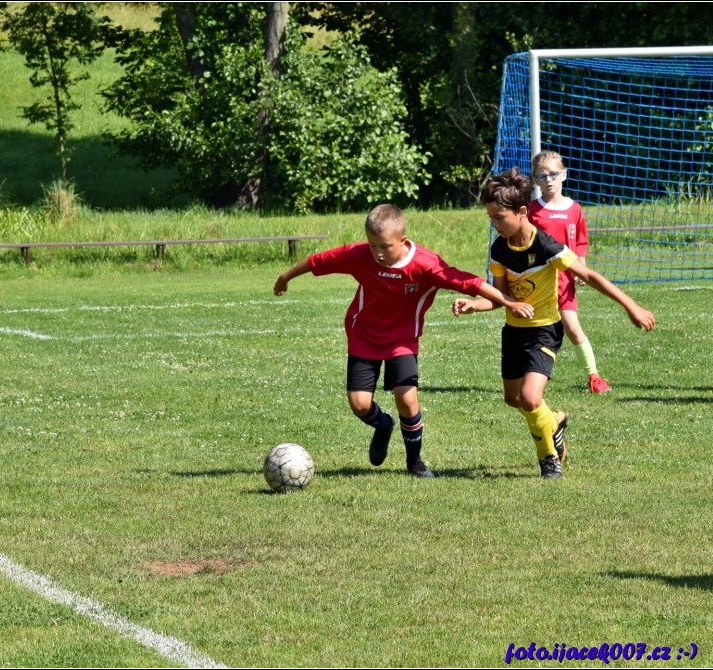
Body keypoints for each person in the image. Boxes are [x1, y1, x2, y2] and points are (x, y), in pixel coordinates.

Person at [273, 204, 534, 478]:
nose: (378, 253)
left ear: (403, 240)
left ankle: (415, 461)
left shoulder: (425, 264)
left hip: (403, 339)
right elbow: (319, 261)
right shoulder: (359, 255)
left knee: (407, 399)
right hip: (364, 335)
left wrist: (508, 302)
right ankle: (383, 425)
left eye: (385, 246)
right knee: (359, 404)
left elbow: (468, 282)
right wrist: (285, 277)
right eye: (373, 245)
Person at [453, 168, 655, 479]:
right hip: (513, 334)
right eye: (491, 217)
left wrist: (631, 306)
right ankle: (555, 420)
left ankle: (549, 459)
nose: (494, 224)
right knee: (513, 399)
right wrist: (476, 304)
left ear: (522, 212)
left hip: (544, 331)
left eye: (499, 217)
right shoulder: (499, 249)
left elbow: (589, 276)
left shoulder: (547, 247)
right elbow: (500, 296)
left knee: (530, 398)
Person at [529, 150, 611, 394]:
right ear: (535, 180)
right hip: (538, 280)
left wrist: (580, 266)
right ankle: (531, 375)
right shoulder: (532, 210)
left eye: (554, 174)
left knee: (573, 328)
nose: (549, 180)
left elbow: (581, 242)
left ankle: (594, 376)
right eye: (542, 176)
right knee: (534, 330)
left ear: (564, 175)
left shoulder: (574, 209)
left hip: (564, 280)